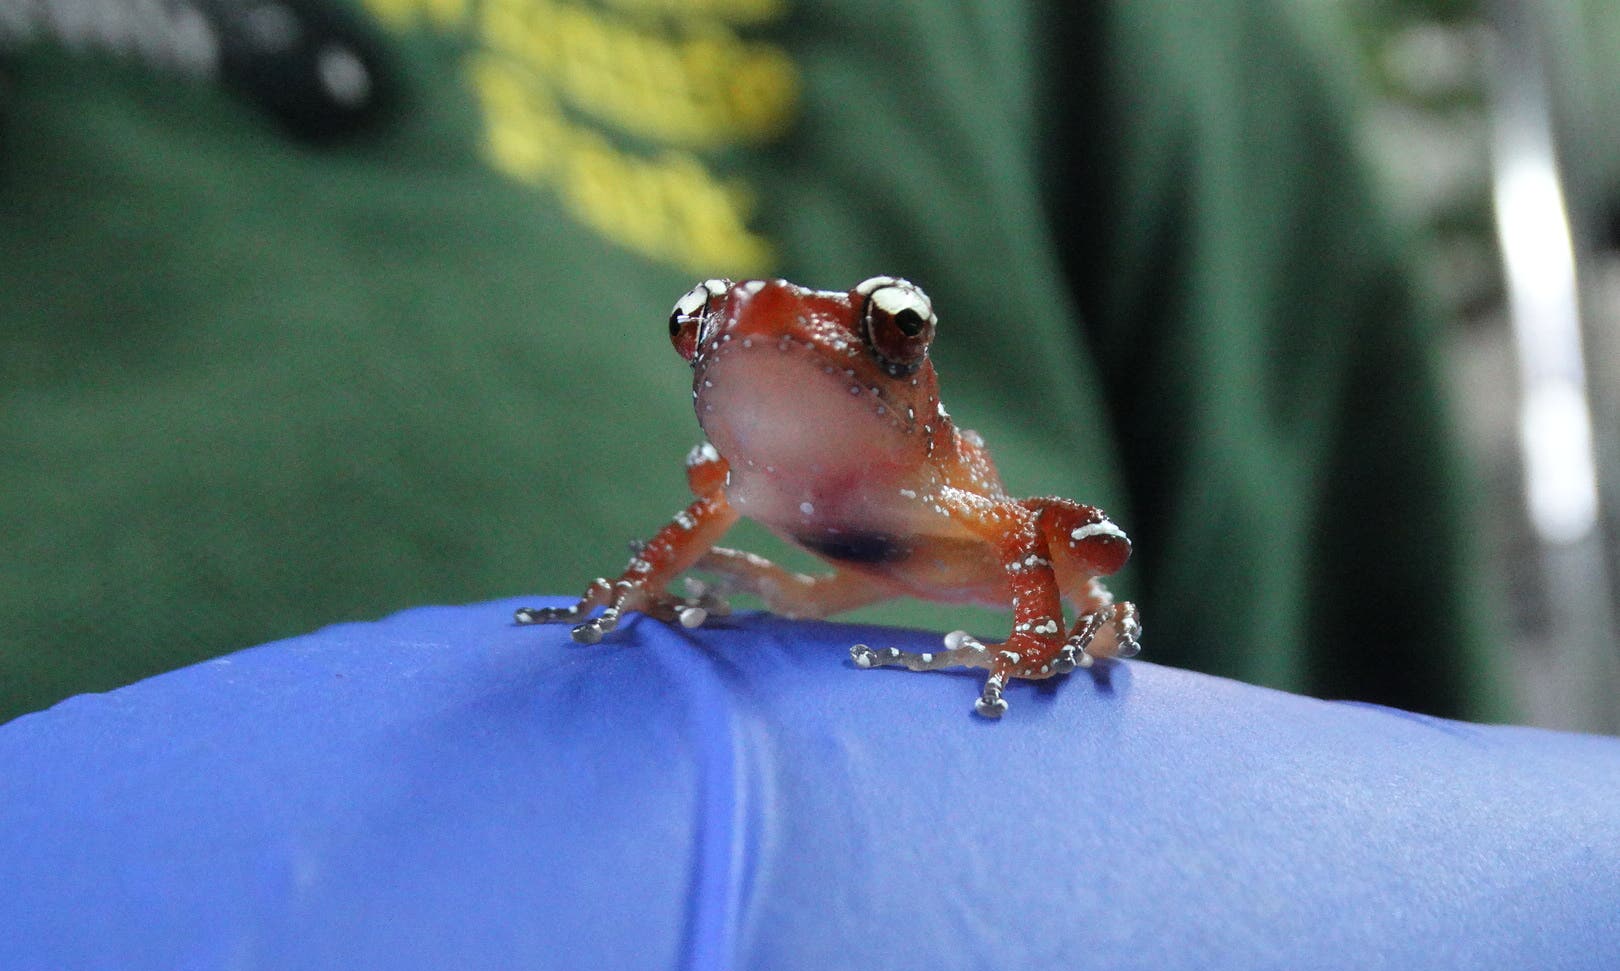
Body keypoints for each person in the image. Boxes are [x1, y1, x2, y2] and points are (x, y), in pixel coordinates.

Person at [0, 0, 1501, 721]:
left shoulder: (1100, 56)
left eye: (885, 327)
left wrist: (1065, 633)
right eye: (697, 329)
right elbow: (703, 516)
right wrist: (635, 589)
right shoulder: (732, 471)